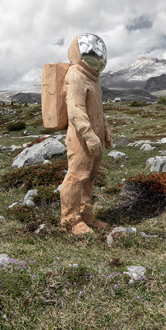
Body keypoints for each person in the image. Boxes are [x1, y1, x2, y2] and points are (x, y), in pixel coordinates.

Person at [60, 33, 113, 235]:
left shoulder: (94, 79)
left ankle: (86, 215)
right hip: (81, 137)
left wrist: (105, 130)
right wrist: (89, 135)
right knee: (77, 175)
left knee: (90, 176)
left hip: (95, 134)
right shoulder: (75, 75)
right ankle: (70, 220)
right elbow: (76, 111)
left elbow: (98, 110)